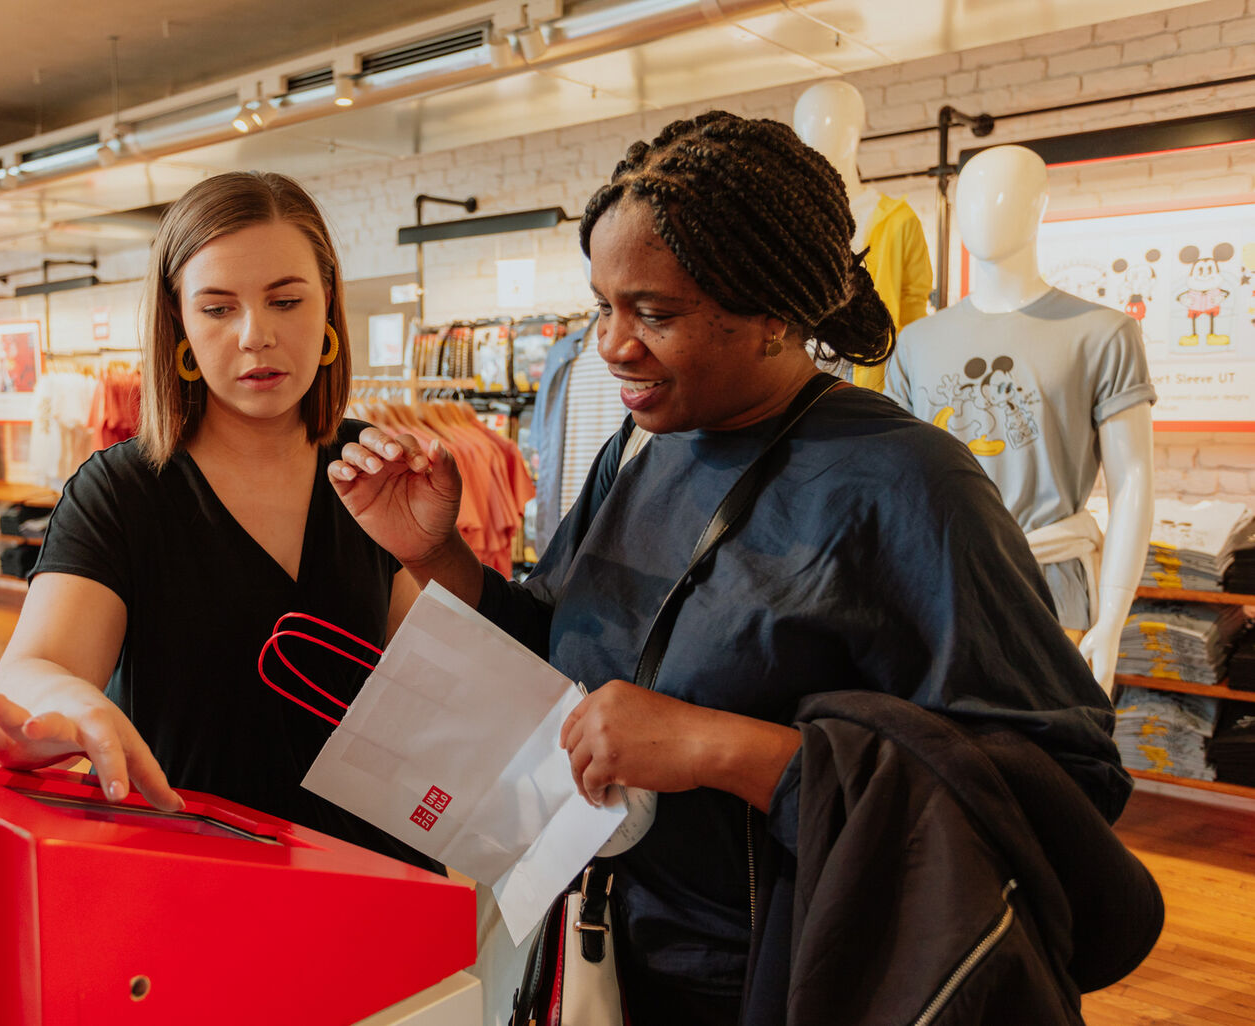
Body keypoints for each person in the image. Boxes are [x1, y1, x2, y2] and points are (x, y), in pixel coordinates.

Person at [328, 113, 1133, 1020]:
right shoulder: (636, 449)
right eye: (603, 306)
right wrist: (437, 554)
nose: (611, 346)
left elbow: (1066, 779)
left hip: (785, 979)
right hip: (597, 952)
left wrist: (723, 749)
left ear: (776, 315)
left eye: (656, 315)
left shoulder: (906, 486)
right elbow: (562, 655)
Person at [0, 171, 435, 872]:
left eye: (287, 300)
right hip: (196, 873)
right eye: (217, 309)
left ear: (328, 305)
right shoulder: (123, 492)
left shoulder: (372, 468)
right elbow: (34, 665)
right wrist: (72, 704)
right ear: (178, 321)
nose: (256, 335)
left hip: (375, 874)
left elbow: (428, 682)